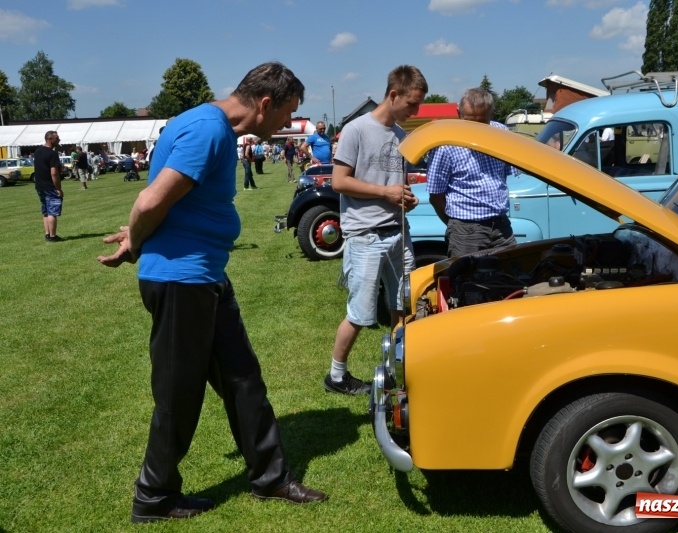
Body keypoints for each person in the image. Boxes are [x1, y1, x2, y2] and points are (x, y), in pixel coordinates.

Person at [97, 61, 326, 523]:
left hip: (205, 276)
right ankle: (153, 496)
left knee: (243, 380)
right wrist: (136, 242)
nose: (286, 125)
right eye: (286, 114)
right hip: (181, 280)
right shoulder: (209, 130)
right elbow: (150, 200)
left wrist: (142, 236)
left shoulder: (202, 123)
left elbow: (168, 203)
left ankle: (271, 477)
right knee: (178, 395)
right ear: (265, 103)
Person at [325, 65, 427, 395]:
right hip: (365, 235)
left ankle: (401, 372)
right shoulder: (356, 130)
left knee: (403, 307)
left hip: (398, 230)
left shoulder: (401, 137)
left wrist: (404, 197)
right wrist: (386, 193)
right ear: (393, 94)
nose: (416, 111)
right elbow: (339, 182)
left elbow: (396, 184)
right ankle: (336, 376)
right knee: (360, 314)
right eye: (412, 104)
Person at [426, 87, 519, 258]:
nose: (475, 127)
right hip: (465, 232)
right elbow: (436, 196)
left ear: (492, 113)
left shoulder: (502, 134)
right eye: (469, 121)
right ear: (458, 112)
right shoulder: (446, 144)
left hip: (501, 227)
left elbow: (506, 175)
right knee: (467, 281)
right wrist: (457, 226)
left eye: (482, 122)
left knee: (511, 278)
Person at [34, 130, 65, 242]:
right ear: (50, 139)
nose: (58, 140)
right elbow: (53, 173)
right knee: (53, 212)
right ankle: (53, 236)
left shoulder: (38, 151)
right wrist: (58, 189)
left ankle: (47, 234)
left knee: (46, 211)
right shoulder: (52, 153)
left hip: (39, 186)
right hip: (50, 186)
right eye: (57, 138)